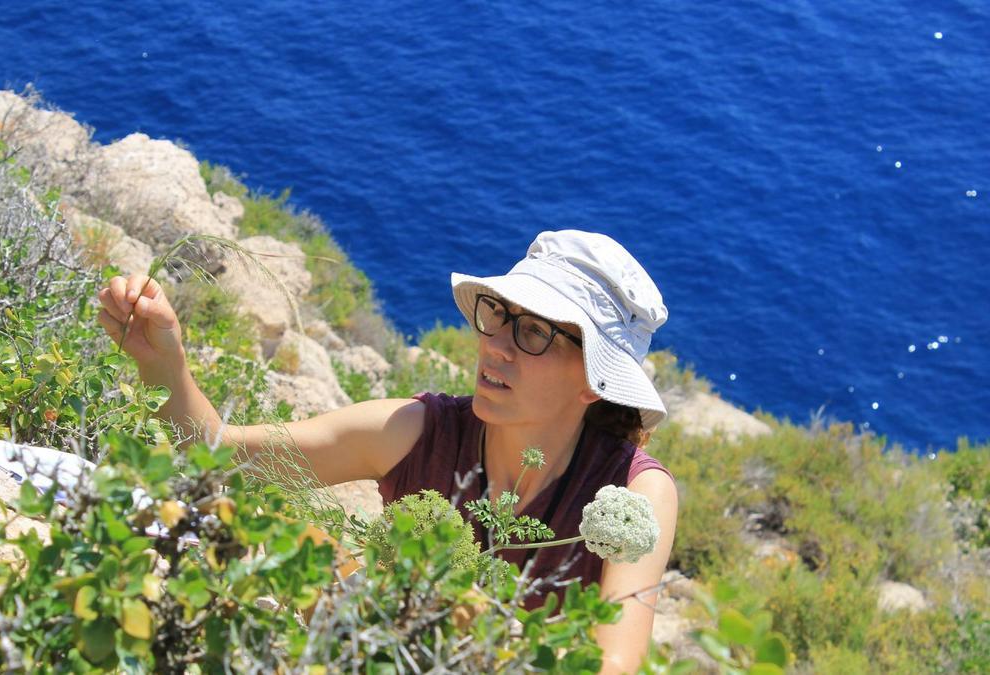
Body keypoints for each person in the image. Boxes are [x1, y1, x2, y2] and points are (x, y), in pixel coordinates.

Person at [97, 230, 678, 674]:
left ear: (594, 381)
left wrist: (446, 606)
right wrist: (162, 365)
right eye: (498, 315)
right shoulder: (416, 431)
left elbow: (611, 667)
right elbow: (218, 457)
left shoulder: (633, 494)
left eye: (533, 334)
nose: (495, 346)